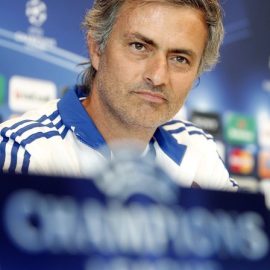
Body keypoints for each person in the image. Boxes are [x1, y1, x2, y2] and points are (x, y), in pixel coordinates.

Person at [0, 0, 238, 191]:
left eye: (179, 59)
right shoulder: (24, 152)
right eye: (139, 46)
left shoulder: (199, 149)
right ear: (96, 49)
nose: (158, 77)